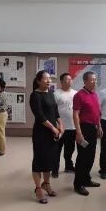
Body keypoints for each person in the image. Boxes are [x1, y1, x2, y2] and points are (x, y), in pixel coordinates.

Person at [29, 70, 63, 204]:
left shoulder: (50, 93)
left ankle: (46, 184)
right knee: (39, 160)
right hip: (41, 133)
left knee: (49, 159)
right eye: (45, 78)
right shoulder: (35, 95)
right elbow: (40, 116)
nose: (49, 80)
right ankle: (38, 188)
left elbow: (55, 112)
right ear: (38, 81)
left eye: (50, 78)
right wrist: (53, 128)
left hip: (52, 132)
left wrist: (61, 124)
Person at [72, 71, 102, 196]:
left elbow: (97, 112)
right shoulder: (79, 95)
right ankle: (78, 184)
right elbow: (75, 115)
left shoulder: (94, 94)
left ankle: (86, 179)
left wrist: (99, 126)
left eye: (95, 79)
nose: (94, 82)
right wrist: (79, 133)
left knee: (91, 156)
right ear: (85, 81)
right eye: (92, 80)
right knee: (83, 157)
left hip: (93, 129)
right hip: (84, 129)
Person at [52, 72, 77, 177]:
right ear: (62, 82)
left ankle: (68, 166)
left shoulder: (76, 93)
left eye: (71, 79)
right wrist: (55, 126)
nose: (70, 81)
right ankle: (55, 170)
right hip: (60, 128)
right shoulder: (56, 94)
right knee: (56, 150)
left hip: (72, 127)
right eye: (67, 79)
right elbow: (53, 111)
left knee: (70, 149)